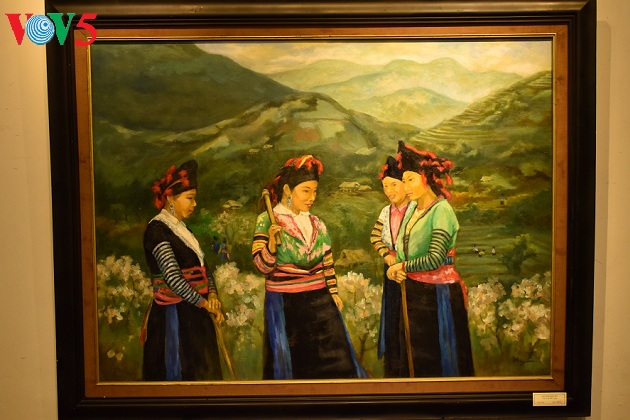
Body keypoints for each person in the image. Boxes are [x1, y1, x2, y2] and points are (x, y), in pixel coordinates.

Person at [252, 155, 367, 380]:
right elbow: (262, 267)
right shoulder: (267, 220)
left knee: (337, 362)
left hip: (321, 300)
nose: (312, 197)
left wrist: (333, 292)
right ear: (287, 190)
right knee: (296, 366)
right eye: (306, 191)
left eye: (314, 191)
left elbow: (327, 262)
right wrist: (272, 246)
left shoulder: (317, 223)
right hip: (286, 303)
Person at [386, 142, 474, 378]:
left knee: (438, 359)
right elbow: (402, 251)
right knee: (413, 360)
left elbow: (435, 258)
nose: (405, 187)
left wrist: (402, 266)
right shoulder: (411, 210)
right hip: (412, 292)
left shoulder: (441, 210)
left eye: (410, 180)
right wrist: (397, 268)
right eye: (403, 181)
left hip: (438, 295)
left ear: (426, 178)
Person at [141, 159, 224, 381]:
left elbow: (204, 267)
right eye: (189, 198)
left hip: (196, 312)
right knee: (179, 372)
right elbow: (173, 278)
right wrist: (204, 303)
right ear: (170, 198)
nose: (194, 203)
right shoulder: (157, 230)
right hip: (174, 316)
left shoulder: (184, 230)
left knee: (205, 373)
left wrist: (213, 294)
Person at [370, 156, 413, 377]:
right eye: (385, 186)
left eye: (393, 185)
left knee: (410, 321)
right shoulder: (385, 212)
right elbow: (375, 237)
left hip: (411, 271)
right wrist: (387, 256)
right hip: (391, 270)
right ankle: (394, 368)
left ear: (405, 185)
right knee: (393, 316)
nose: (389, 191)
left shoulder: (415, 209)